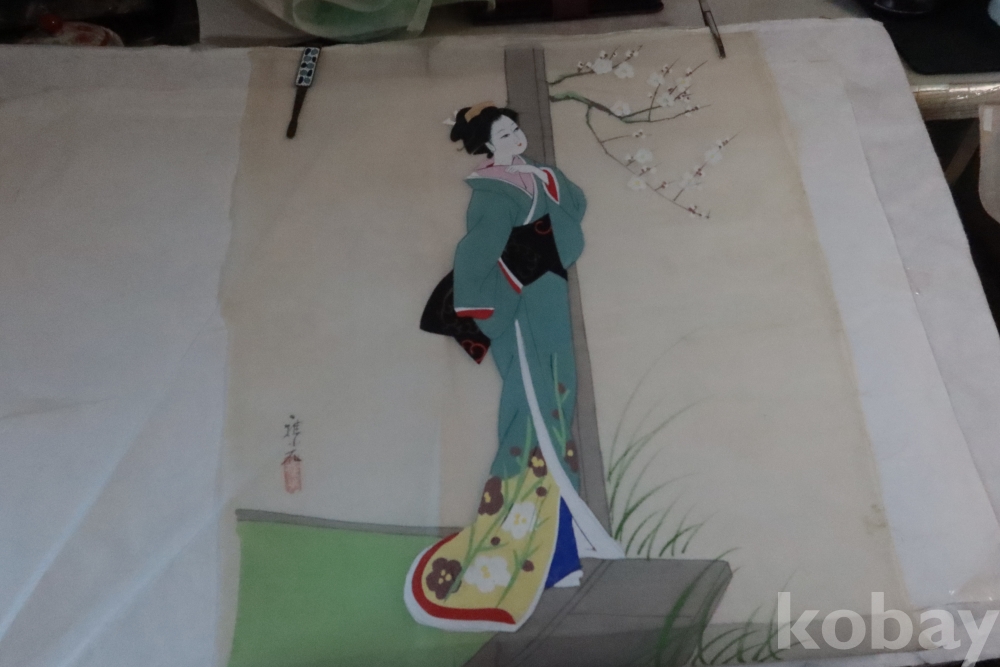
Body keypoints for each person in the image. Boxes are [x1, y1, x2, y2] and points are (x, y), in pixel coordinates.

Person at [406, 102, 622, 633]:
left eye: (515, 130)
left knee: (558, 401)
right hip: (518, 301)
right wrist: (483, 303)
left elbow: (575, 206)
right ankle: (545, 550)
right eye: (504, 134)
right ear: (486, 145)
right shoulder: (490, 192)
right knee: (533, 411)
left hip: (548, 293)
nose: (515, 138)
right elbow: (477, 251)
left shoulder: (539, 176)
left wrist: (548, 186)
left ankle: (560, 551)